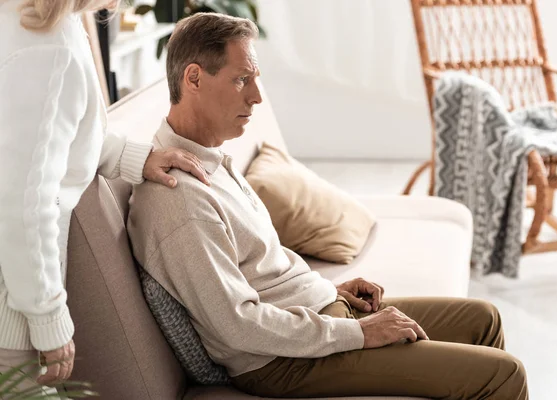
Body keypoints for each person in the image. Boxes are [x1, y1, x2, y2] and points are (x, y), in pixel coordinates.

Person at [127, 13, 529, 399]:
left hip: (315, 316)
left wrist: (326, 289)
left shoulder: (208, 160)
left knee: (483, 319)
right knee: (504, 376)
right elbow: (237, 325)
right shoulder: (177, 195)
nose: (257, 97)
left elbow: (257, 267)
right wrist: (361, 333)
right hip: (281, 361)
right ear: (194, 78)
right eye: (241, 80)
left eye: (256, 79)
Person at [0, 0, 210, 391]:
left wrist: (137, 156)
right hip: (11, 311)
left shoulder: (30, 19)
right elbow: (23, 205)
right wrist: (48, 319)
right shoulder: (47, 48)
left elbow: (51, 141)